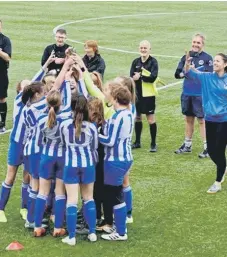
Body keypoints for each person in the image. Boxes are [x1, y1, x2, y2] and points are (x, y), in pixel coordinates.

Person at [184, 52, 227, 194]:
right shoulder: (207, 77)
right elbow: (189, 74)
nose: (215, 63)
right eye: (214, 61)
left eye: (218, 61)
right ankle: (223, 166)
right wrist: (187, 64)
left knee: (219, 150)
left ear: (225, 64)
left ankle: (217, 182)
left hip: (224, 120)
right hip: (210, 119)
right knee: (213, 151)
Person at [60, 95, 98, 246]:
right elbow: (94, 147)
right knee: (89, 198)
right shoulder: (92, 127)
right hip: (88, 165)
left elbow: (63, 144)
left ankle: (72, 237)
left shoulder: (64, 125)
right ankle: (93, 232)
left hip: (70, 165)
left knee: (72, 200)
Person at [99, 83, 134, 241]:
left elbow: (110, 140)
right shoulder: (128, 112)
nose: (106, 95)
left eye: (109, 93)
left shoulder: (117, 116)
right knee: (117, 193)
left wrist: (94, 133)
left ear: (115, 98)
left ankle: (120, 232)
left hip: (115, 160)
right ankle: (119, 227)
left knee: (115, 195)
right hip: (124, 157)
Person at [174, 33, 213, 158]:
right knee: (188, 119)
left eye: (198, 42)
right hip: (187, 93)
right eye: (194, 42)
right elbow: (177, 74)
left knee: (201, 120)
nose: (195, 44)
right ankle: (187, 145)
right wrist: (186, 67)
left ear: (202, 44)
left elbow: (209, 76)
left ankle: (208, 147)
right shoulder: (186, 57)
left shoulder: (207, 58)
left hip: (200, 94)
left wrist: (193, 70)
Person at [130, 40, 159, 152]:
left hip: (148, 94)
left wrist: (140, 76)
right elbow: (131, 75)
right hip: (137, 94)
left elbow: (153, 77)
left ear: (149, 49)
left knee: (150, 118)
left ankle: (153, 143)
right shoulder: (135, 61)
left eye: (145, 48)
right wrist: (134, 78)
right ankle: (137, 142)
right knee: (137, 117)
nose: (143, 50)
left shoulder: (153, 62)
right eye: (141, 48)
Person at [0, 20, 12, 133]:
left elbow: (8, 57)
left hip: (1, 73)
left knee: (2, 98)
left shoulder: (5, 40)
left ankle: (2, 124)